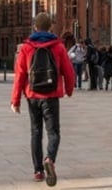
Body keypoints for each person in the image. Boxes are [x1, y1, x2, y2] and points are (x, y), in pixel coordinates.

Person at [11, 12, 75, 186]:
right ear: (51, 27)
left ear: (35, 27)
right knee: (53, 132)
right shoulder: (58, 47)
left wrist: (15, 101)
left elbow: (20, 76)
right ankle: (50, 159)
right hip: (52, 95)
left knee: (36, 133)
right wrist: (69, 90)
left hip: (32, 96)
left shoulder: (26, 48)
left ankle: (38, 171)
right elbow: (69, 72)